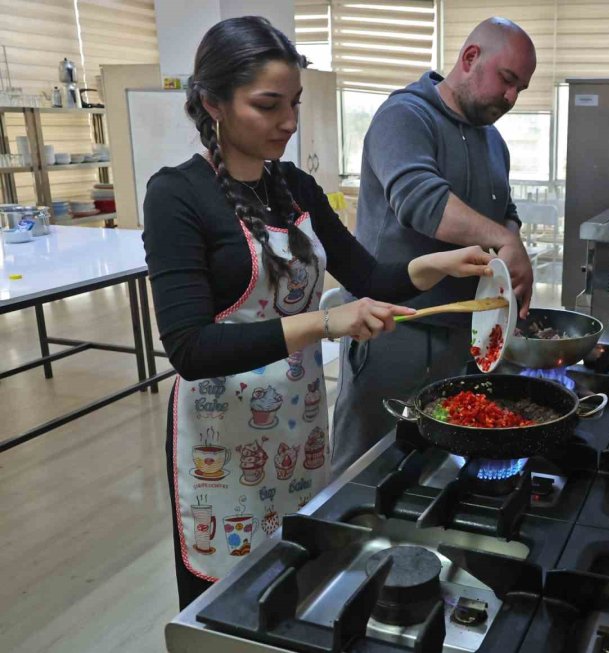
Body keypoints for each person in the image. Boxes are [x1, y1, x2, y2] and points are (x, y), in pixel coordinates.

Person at [142, 16, 494, 609]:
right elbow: (190, 348)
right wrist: (326, 323)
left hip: (298, 424)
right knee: (225, 604)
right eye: (268, 104)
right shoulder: (176, 194)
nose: (289, 121)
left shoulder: (296, 187)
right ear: (213, 102)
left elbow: (370, 276)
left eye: (295, 103)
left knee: (294, 575)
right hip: (221, 438)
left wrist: (440, 264)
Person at [331, 17, 537, 473]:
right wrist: (504, 239)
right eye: (507, 80)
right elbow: (420, 202)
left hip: (459, 336)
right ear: (469, 59)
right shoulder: (404, 116)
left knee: (428, 461)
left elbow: (504, 211)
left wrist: (513, 244)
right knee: (365, 463)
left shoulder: (494, 141)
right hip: (394, 328)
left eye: (520, 88)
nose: (512, 98)